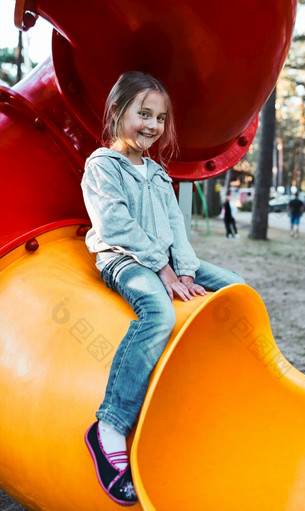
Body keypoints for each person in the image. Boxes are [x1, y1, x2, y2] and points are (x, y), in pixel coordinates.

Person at [81, 71, 244, 506]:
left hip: (170, 261)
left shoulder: (157, 171)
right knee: (159, 312)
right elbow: (116, 225)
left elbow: (176, 227)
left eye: (160, 117)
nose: (153, 125)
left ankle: (222, 387)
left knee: (237, 289)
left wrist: (185, 270)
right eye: (144, 113)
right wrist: (162, 271)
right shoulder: (102, 166)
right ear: (118, 113)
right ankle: (110, 425)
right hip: (125, 260)